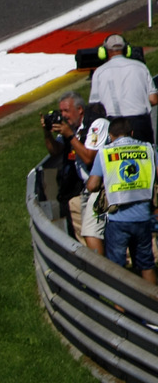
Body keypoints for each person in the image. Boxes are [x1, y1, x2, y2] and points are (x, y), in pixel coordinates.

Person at [86, 117, 157, 284]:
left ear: (111, 135)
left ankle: (119, 308)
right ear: (131, 133)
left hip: (118, 219)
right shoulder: (148, 149)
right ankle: (152, 306)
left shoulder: (105, 153)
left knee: (117, 269)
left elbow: (92, 185)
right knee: (146, 265)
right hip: (142, 218)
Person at [43, 92, 108, 252]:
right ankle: (94, 267)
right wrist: (46, 132)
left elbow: (88, 158)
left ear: (79, 109)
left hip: (104, 186)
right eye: (61, 111)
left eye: (66, 111)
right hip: (87, 188)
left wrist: (70, 136)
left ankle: (102, 271)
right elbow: (55, 151)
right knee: (88, 231)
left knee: (92, 232)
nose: (63, 115)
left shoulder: (96, 124)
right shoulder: (72, 128)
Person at [89, 34, 158, 144]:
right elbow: (154, 99)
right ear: (127, 50)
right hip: (140, 124)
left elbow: (95, 106)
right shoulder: (141, 67)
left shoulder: (99, 72)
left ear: (104, 52)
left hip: (114, 126)